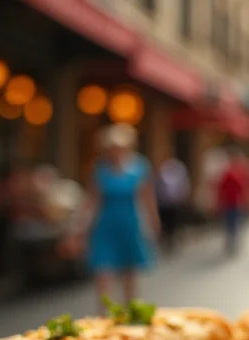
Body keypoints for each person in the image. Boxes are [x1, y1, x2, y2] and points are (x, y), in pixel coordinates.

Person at [71, 124, 159, 307]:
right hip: (106, 224)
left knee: (130, 274)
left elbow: (147, 198)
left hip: (129, 223)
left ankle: (130, 312)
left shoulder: (139, 167)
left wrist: (153, 222)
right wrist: (80, 228)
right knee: (103, 272)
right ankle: (105, 317)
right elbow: (92, 200)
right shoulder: (100, 169)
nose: (116, 152)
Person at [216, 147, 249, 254]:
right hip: (232, 202)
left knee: (233, 222)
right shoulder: (231, 172)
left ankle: (232, 240)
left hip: (233, 202)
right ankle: (233, 240)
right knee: (233, 222)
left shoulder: (233, 172)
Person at [155, 157, 190, 253]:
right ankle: (168, 239)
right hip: (164, 203)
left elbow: (183, 185)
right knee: (167, 221)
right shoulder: (162, 172)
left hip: (175, 203)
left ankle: (173, 238)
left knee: (174, 222)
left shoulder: (179, 171)